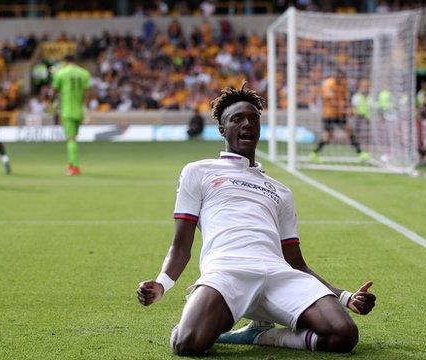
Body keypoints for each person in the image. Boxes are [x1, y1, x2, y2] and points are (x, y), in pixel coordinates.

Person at [137, 84, 376, 356]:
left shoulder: (281, 191)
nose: (247, 124)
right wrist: (162, 284)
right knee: (187, 343)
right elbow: (180, 247)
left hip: (278, 274)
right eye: (237, 119)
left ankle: (262, 335)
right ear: (222, 129)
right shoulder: (198, 171)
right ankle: (208, 308)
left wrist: (345, 297)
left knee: (343, 334)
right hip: (228, 271)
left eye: (253, 119)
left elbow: (296, 263)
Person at [51, 54, 91, 176]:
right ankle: (71, 163)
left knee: (71, 139)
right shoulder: (84, 73)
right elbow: (87, 92)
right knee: (74, 138)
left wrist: (52, 104)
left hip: (67, 111)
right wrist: (85, 108)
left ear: (65, 62)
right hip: (79, 111)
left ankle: (74, 167)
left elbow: (54, 90)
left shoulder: (61, 73)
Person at [310, 72, 363, 163]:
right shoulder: (328, 84)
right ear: (336, 77)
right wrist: (344, 109)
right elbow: (331, 101)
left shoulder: (343, 85)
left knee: (349, 130)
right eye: (342, 78)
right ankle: (314, 153)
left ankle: (361, 153)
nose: (344, 81)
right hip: (329, 114)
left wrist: (349, 108)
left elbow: (345, 99)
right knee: (328, 135)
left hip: (339, 114)